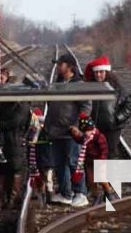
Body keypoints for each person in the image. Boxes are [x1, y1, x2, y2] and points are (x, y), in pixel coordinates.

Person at [45, 53, 91, 207]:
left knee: (74, 162)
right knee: (59, 164)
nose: (58, 67)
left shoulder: (79, 85)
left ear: (69, 66)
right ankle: (66, 193)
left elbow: (86, 106)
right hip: (56, 131)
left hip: (71, 132)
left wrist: (79, 127)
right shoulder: (58, 83)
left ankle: (81, 193)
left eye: (60, 64)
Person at [84, 56, 131, 159]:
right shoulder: (90, 86)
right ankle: (100, 175)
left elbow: (128, 102)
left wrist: (117, 118)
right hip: (94, 127)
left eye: (101, 72)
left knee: (110, 154)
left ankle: (111, 175)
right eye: (96, 72)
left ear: (107, 72)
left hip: (112, 129)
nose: (98, 75)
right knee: (95, 154)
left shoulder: (116, 86)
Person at [0, 100, 31, 210]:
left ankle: (4, 200)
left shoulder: (1, 107)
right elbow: (16, 122)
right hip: (14, 142)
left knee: (5, 170)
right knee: (12, 170)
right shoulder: (22, 106)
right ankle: (10, 199)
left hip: (7, 142)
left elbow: (13, 122)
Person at [70, 113, 119, 205]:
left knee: (102, 178)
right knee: (91, 180)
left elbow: (104, 150)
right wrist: (73, 134)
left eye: (88, 131)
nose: (86, 133)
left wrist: (101, 160)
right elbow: (79, 140)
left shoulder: (98, 137)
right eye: (84, 131)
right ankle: (96, 195)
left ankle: (108, 192)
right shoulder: (84, 138)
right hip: (89, 162)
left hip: (99, 161)